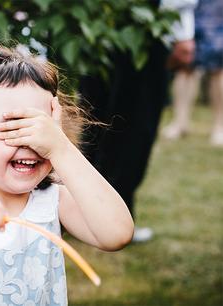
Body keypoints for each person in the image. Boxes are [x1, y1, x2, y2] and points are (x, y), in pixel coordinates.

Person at [0, 44, 134, 305]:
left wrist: (60, 148)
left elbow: (117, 234)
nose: (29, 143)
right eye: (10, 129)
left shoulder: (52, 199)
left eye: (40, 129)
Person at [79, 0, 198, 243]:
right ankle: (109, 219)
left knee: (95, 118)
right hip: (140, 30)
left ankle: (82, 215)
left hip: (93, 25)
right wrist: (183, 34)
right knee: (131, 125)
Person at [162, 0, 223, 146]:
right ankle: (180, 123)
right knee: (184, 67)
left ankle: (219, 127)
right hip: (186, 8)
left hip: (216, 8)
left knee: (218, 68)